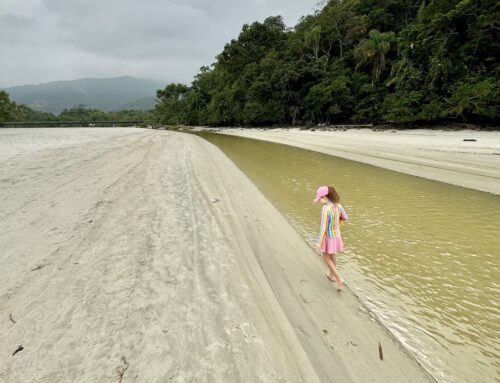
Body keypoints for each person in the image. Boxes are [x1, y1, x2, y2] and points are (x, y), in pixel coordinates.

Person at [314, 185, 348, 291]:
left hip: (328, 236)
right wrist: (338, 218)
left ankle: (339, 278)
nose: (319, 201)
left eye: (320, 199)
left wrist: (318, 242)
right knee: (333, 255)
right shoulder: (338, 206)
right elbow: (346, 217)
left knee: (326, 257)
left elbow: (323, 226)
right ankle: (331, 275)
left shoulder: (326, 208)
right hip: (337, 235)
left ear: (325, 197)